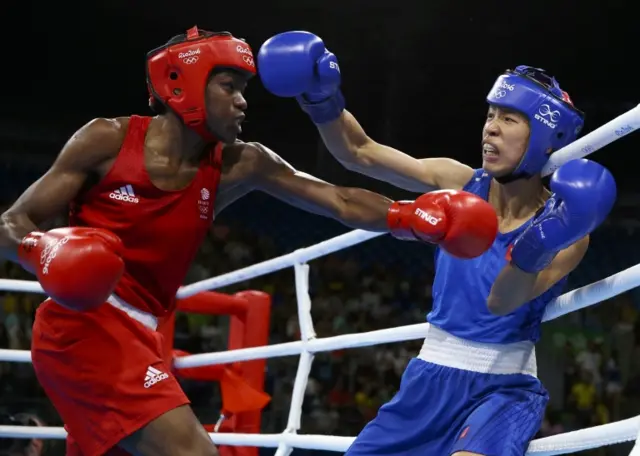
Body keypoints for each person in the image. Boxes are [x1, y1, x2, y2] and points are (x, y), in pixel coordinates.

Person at [0, 27, 499, 456]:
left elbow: (340, 200)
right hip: (83, 327)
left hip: (140, 334)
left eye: (243, 88)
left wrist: (408, 216)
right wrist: (39, 251)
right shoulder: (106, 140)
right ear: (184, 85)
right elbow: (12, 222)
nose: (242, 101)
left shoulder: (241, 163)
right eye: (229, 86)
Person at [257, 32, 617, 455]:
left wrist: (544, 236)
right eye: (490, 114)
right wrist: (320, 99)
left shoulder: (570, 229)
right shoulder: (460, 182)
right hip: (427, 380)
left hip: (502, 391)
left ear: (545, 136)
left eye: (510, 119)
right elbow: (359, 152)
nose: (491, 128)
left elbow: (501, 301)